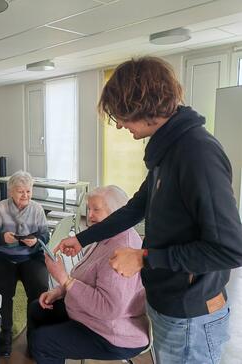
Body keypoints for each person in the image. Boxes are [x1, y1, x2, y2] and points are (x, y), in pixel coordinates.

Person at [56, 56, 242, 364]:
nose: (118, 124)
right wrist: (85, 238)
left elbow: (231, 250)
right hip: (168, 303)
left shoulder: (197, 154)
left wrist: (145, 257)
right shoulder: (166, 151)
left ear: (143, 107)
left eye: (121, 115)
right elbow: (136, 208)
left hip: (191, 315)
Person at [28, 186, 148, 363]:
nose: (89, 216)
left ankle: (42, 351)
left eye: (96, 210)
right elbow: (86, 278)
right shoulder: (105, 236)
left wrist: (64, 279)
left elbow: (108, 309)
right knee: (36, 308)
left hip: (112, 332)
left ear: (117, 213)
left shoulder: (121, 249)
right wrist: (60, 291)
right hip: (87, 314)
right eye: (88, 209)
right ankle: (40, 353)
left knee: (42, 341)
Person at [0, 170, 50, 357]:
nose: (25, 195)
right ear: (11, 192)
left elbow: (46, 235)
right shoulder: (0, 208)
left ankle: (34, 339)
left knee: (39, 292)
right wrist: (2, 237)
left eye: (28, 191)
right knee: (3, 294)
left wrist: (36, 240)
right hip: (4, 257)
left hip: (31, 256)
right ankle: (5, 337)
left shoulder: (37, 209)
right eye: (21, 191)